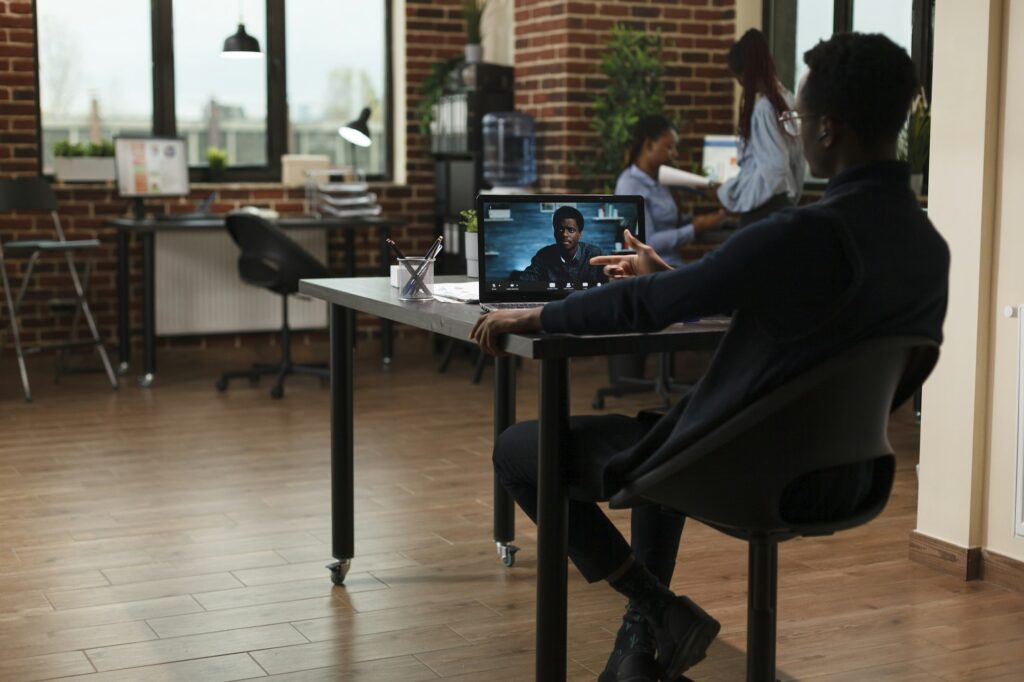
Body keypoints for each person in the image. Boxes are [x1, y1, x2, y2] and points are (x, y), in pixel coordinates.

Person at [471, 32, 949, 682]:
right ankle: (637, 652)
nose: (794, 132)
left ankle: (653, 606)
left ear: (828, 129)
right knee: (662, 428)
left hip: (744, 469)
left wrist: (539, 314)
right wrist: (675, 277)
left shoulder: (801, 233)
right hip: (847, 474)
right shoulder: (927, 247)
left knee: (518, 451)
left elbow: (645, 307)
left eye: (799, 120)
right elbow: (788, 326)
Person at [715, 28, 805, 227]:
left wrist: (732, 193)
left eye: (737, 77)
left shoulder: (764, 109)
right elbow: (797, 162)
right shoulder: (788, 100)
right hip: (783, 205)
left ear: (744, 75)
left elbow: (775, 169)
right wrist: (792, 199)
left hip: (763, 210)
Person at [615, 115, 725, 267]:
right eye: (669, 147)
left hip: (672, 264)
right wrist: (696, 227)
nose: (675, 153)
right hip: (653, 271)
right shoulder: (629, 185)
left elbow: (666, 221)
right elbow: (647, 242)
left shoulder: (659, 180)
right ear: (649, 145)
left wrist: (697, 220)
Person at [520, 205, 606, 284]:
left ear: (580, 234)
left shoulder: (595, 254)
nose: (564, 234)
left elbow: (609, 283)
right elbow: (525, 282)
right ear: (554, 233)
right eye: (560, 229)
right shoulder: (543, 255)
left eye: (571, 230)